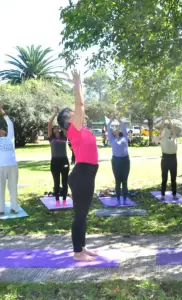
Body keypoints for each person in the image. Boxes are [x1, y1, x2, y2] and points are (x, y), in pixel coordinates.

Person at [57, 70, 99, 262]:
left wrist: (79, 85)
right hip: (82, 174)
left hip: (86, 174)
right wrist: (77, 83)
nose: (78, 112)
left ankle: (82, 247)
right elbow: (80, 104)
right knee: (80, 215)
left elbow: (82, 106)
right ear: (68, 120)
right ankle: (77, 253)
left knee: (83, 214)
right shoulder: (74, 129)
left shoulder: (80, 128)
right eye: (73, 113)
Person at [48, 106, 70, 204]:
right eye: (55, 129)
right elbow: (49, 124)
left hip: (64, 161)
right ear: (52, 131)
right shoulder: (51, 138)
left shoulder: (64, 137)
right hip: (55, 161)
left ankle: (64, 199)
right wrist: (55, 114)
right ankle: (57, 200)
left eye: (58, 128)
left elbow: (65, 127)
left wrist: (62, 119)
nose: (57, 130)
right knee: (56, 181)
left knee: (65, 181)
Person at [107, 117, 130, 205]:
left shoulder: (124, 137)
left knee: (124, 180)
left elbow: (123, 126)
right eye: (114, 130)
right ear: (113, 133)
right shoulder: (111, 139)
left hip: (125, 160)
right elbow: (108, 127)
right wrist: (111, 120)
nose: (115, 130)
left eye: (117, 129)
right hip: (116, 161)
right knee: (117, 180)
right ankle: (117, 199)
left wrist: (119, 120)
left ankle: (124, 198)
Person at [0, 105, 18, 215]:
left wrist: (2, 111)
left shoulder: (10, 137)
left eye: (2, 129)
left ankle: (14, 208)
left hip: (12, 166)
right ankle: (1, 209)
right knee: (0, 189)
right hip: (0, 167)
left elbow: (10, 124)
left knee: (12, 188)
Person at [160, 115, 178, 200]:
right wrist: (166, 119)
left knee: (173, 178)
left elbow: (173, 130)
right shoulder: (164, 140)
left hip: (172, 159)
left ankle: (173, 194)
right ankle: (163, 194)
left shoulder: (173, 139)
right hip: (167, 159)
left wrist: (167, 118)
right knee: (165, 178)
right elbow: (161, 130)